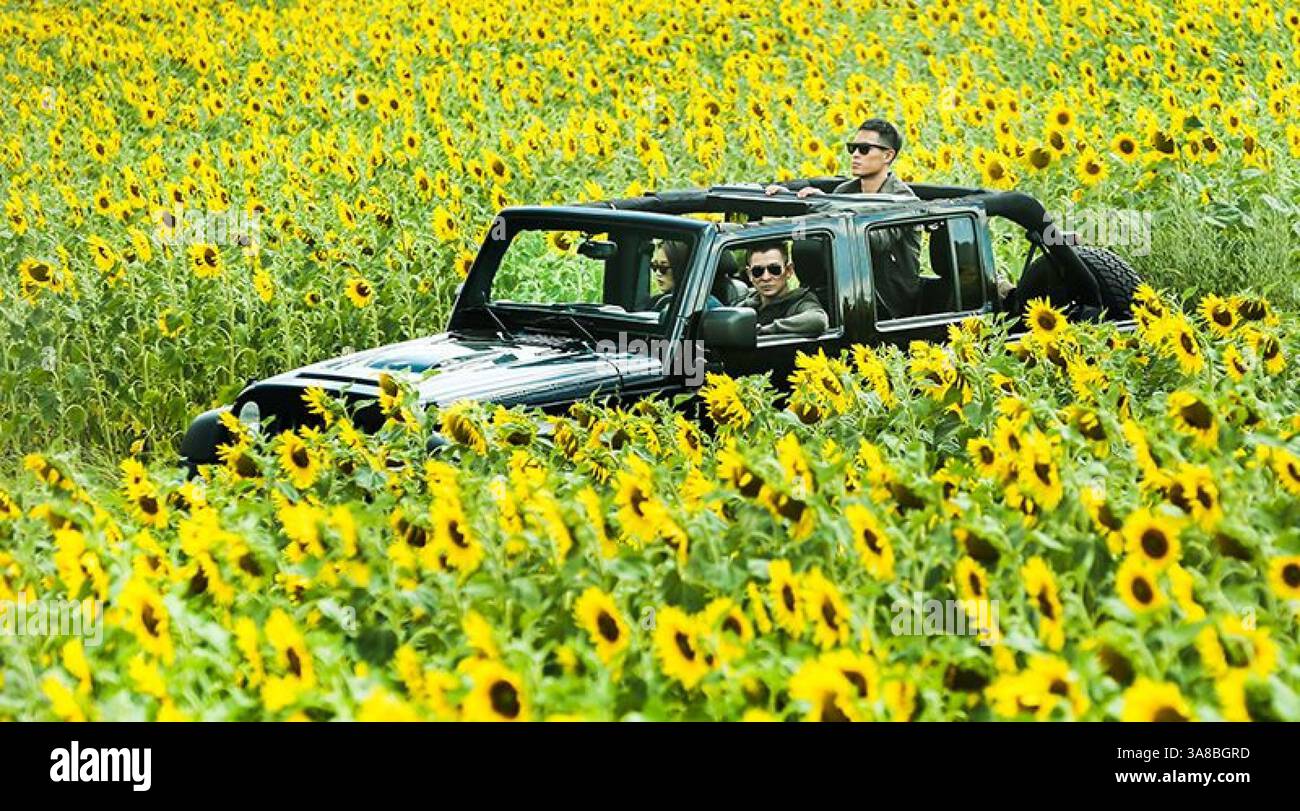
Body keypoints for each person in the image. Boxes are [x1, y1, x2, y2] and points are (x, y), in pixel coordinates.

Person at [765, 119, 924, 319]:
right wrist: (790, 200)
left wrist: (824, 203)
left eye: (864, 149)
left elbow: (874, 239)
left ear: (888, 155)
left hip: (886, 306)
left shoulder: (903, 200)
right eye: (853, 148)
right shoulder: (845, 191)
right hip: (840, 292)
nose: (855, 155)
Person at [737, 241, 827, 337]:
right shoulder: (746, 304)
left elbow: (818, 319)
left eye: (774, 270)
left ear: (788, 271)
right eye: (757, 271)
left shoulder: (800, 301)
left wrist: (767, 329)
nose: (766, 277)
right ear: (749, 274)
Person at [650, 239, 721, 313]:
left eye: (663, 267)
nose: (657, 273)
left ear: (682, 267)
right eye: (654, 267)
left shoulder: (706, 306)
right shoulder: (655, 302)